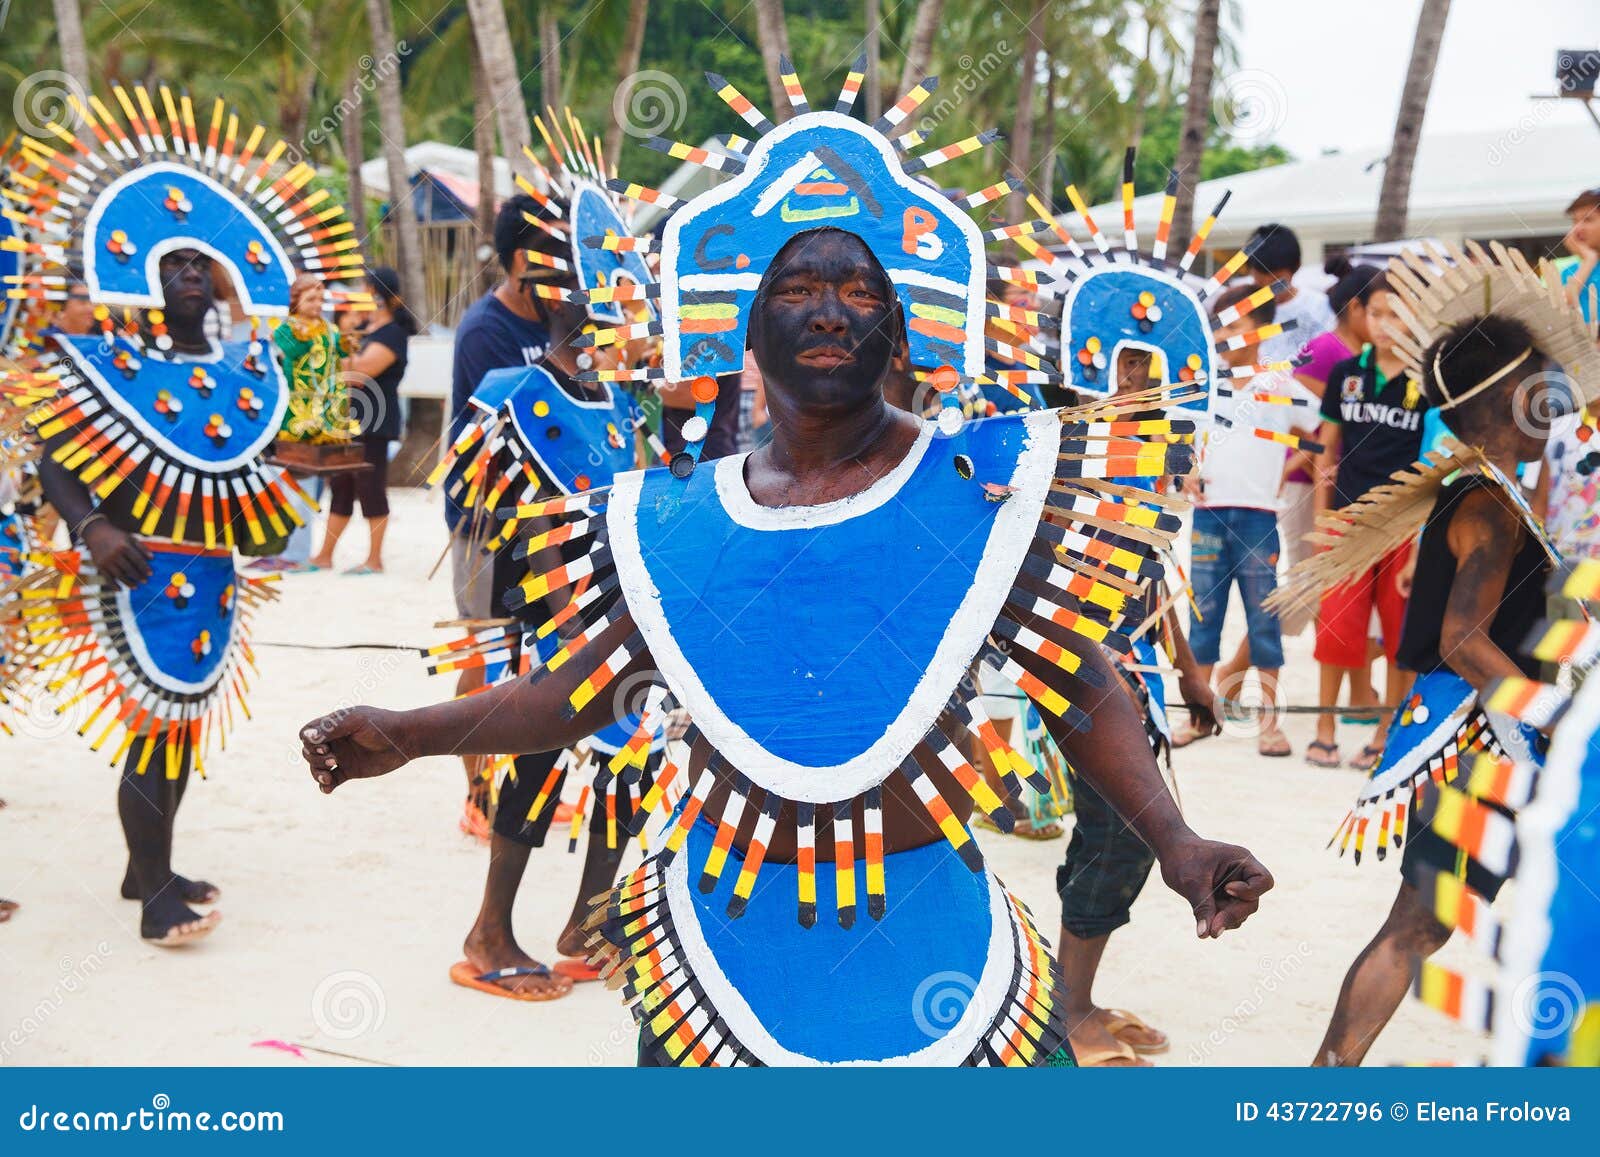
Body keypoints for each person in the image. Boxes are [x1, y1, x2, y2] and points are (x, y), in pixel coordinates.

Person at [301, 72, 1271, 1067]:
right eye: (797, 289)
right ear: (746, 328)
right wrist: (405, 731)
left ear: (894, 327)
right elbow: (578, 692)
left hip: (936, 937)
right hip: (721, 952)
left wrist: (1175, 840)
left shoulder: (984, 489)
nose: (831, 310)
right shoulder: (667, 515)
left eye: (860, 291)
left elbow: (1079, 679)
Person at [0, 83, 362, 944]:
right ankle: (156, 891)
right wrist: (93, 526)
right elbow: (55, 456)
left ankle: (145, 867)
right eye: (174, 265)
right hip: (135, 569)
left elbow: (267, 462)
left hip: (212, 577)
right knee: (154, 729)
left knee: (185, 726)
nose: (191, 276)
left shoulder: (250, 377)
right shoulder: (111, 365)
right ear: (141, 278)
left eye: (202, 264)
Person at [1277, 243, 1598, 1063]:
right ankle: (1325, 1082)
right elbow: (1461, 637)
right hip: (1477, 747)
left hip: (1476, 740)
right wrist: (1551, 714)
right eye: (1545, 388)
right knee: (1418, 925)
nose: (1560, 402)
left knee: (1432, 921)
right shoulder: (1486, 502)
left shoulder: (1491, 490)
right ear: (1506, 402)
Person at [422, 142, 665, 1001]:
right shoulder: (508, 392)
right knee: (534, 763)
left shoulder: (627, 402)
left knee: (630, 766)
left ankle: (588, 921)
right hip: (554, 618)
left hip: (632, 620)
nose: (611, 293)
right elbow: (472, 503)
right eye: (589, 274)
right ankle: (488, 934)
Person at [444, 195, 553, 839]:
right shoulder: (487, 330)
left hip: (544, 519)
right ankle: (478, 793)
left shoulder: (556, 318)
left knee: (536, 656)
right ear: (520, 261)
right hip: (485, 520)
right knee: (483, 649)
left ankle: (520, 787)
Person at [1176, 284, 1321, 756]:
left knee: (1265, 620)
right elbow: (1182, 443)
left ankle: (1269, 725)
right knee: (1203, 619)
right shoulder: (1205, 384)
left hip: (1260, 518)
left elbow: (1321, 426)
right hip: (1208, 517)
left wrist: (1293, 465)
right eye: (1222, 327)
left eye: (1237, 325)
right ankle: (1200, 716)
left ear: (1261, 330)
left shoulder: (1278, 382)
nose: (1227, 335)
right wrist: (1187, 472)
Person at [1303, 276, 1427, 770]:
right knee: (1336, 628)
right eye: (1377, 313)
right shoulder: (1347, 374)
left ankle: (1385, 731)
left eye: (1398, 315)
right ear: (1364, 314)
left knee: (1399, 634)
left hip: (1402, 525)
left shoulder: (1426, 381)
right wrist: (1320, 520)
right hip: (1345, 522)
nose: (1385, 325)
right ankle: (1324, 726)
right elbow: (1325, 449)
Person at [308, 266, 414, 575]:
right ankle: (325, 555)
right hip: (351, 420)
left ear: (378, 295)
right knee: (341, 486)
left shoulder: (393, 333)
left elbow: (363, 371)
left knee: (371, 487)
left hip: (376, 421)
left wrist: (326, 359)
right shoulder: (366, 330)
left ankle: (374, 559)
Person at [1244, 222, 1335, 365]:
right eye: (1261, 282)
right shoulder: (1240, 310)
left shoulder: (1319, 306)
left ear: (1297, 266)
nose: (1269, 290)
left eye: (1277, 283)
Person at [1561, 185, 1600, 322]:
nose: (1578, 228)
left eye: (1588, 220)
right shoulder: (1570, 272)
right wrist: (1589, 261)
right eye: (1575, 221)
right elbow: (1559, 312)